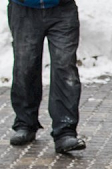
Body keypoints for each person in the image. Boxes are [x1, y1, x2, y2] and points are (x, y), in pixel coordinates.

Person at [7, 0, 86, 154]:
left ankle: (65, 130)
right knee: (25, 66)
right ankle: (25, 123)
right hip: (24, 9)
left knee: (65, 68)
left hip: (62, 8)